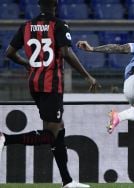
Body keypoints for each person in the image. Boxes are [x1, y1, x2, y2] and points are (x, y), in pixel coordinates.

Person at [0, 0, 99, 187]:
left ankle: (67, 181)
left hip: (34, 83)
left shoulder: (26, 26)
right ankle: (5, 138)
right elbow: (66, 53)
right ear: (56, 3)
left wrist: (26, 63)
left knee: (58, 128)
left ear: (39, 4)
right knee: (51, 135)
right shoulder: (59, 25)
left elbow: (10, 53)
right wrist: (87, 76)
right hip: (51, 85)